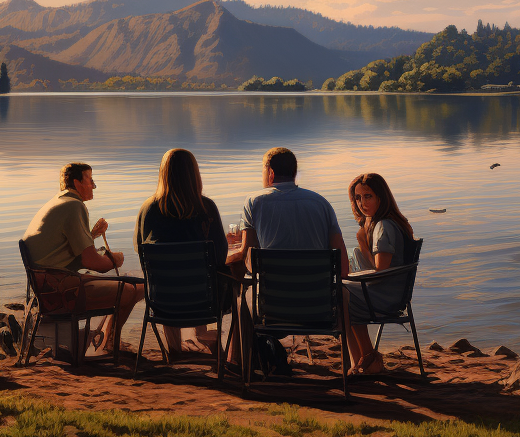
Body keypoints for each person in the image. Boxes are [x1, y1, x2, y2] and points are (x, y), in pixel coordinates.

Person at [227, 147, 346, 367]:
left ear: (270, 172)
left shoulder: (254, 202)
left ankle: (237, 363)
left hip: (271, 309)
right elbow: (343, 266)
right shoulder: (322, 204)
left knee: (241, 295)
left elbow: (249, 261)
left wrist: (232, 259)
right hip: (319, 309)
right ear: (294, 172)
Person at [21, 162, 144, 356]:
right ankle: (110, 343)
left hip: (47, 287)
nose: (94, 186)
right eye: (91, 180)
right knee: (133, 289)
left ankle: (108, 340)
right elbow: (91, 262)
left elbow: (65, 249)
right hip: (61, 292)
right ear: (78, 183)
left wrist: (92, 235)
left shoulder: (59, 202)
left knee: (129, 283)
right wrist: (114, 260)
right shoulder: (74, 206)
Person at [133, 148, 234, 354]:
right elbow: (220, 257)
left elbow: (140, 251)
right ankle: (207, 338)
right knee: (221, 275)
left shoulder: (148, 209)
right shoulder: (207, 207)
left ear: (163, 174)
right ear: (194, 174)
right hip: (207, 302)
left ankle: (173, 350)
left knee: (167, 278)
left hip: (163, 303)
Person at [342, 173, 416, 376]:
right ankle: (361, 360)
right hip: (392, 291)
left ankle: (366, 359)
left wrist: (362, 243)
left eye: (368, 196)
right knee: (342, 291)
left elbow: (380, 269)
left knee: (341, 295)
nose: (361, 203)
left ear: (381, 198)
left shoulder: (383, 226)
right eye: (357, 198)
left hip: (386, 295)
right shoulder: (387, 222)